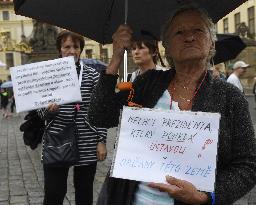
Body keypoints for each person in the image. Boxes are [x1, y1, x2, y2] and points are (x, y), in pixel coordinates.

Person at [88, 5, 256, 205]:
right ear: (165, 46)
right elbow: (99, 116)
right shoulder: (148, 83)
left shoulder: (229, 96)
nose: (189, 37)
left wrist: (207, 196)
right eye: (179, 32)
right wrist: (115, 59)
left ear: (211, 41)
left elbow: (248, 165)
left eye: (198, 30)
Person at [37, 30, 107, 205]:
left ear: (81, 49)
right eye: (67, 46)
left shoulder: (92, 75)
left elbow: (100, 110)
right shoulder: (49, 74)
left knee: (84, 193)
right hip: (57, 139)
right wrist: (49, 110)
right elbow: (39, 111)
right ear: (60, 49)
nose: (72, 51)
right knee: (54, 193)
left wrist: (101, 140)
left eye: (76, 46)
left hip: (87, 140)